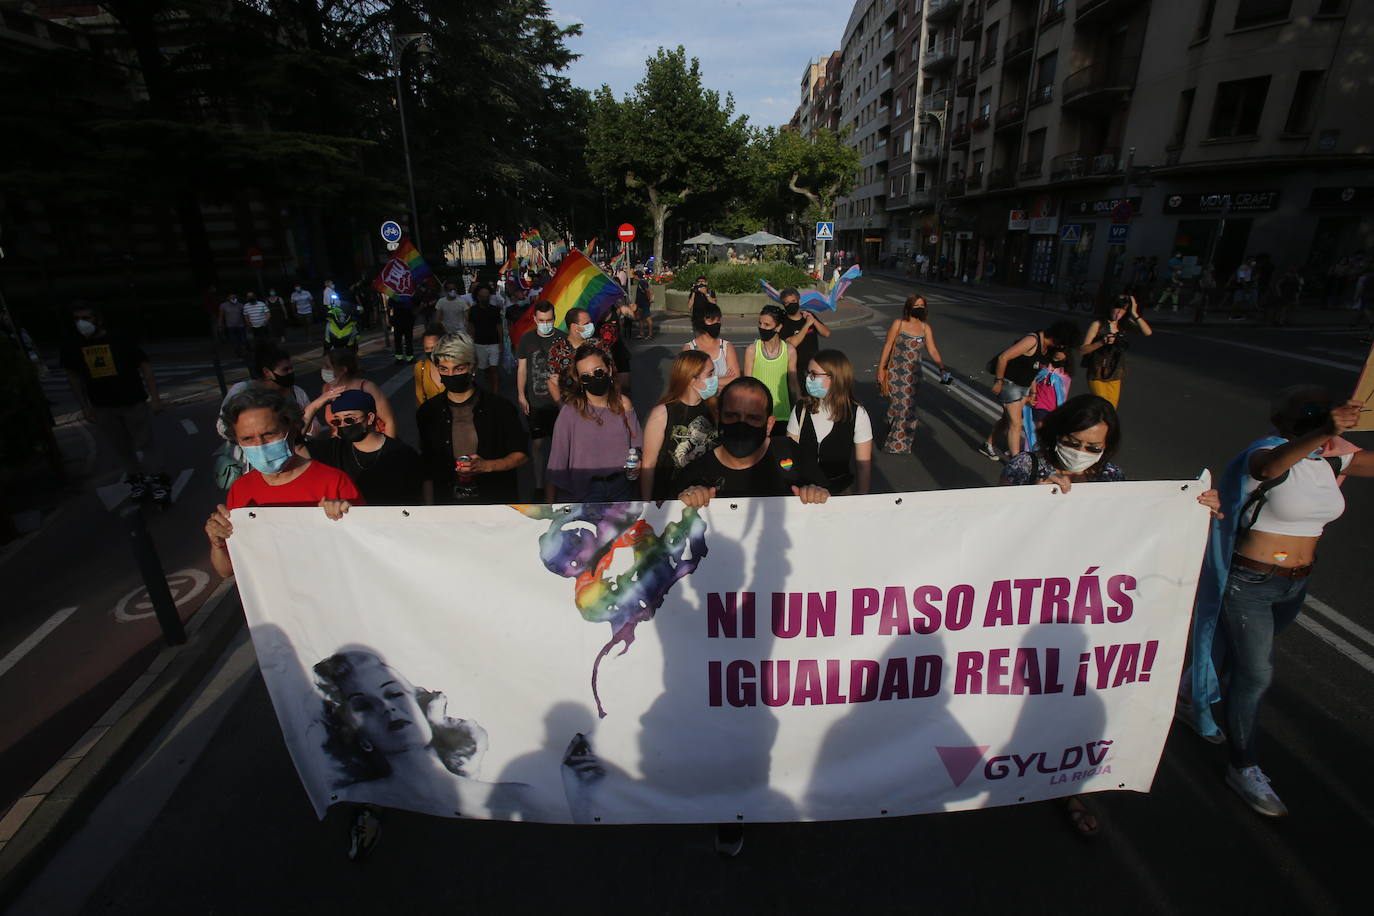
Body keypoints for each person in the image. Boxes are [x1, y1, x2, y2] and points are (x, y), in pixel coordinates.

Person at [999, 394, 1221, 835]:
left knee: (1071, 695)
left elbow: (1140, 529)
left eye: (1093, 446)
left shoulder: (1114, 477)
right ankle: (1011, 767)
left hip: (1086, 611)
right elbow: (997, 532)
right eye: (1074, 441)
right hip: (1027, 608)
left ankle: (1066, 785)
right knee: (1021, 693)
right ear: (1056, 433)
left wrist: (1193, 512)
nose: (1082, 451)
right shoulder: (1025, 467)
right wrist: (1032, 505)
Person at [1181, 388, 1370, 818]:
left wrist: (1333, 438)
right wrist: (1325, 430)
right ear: (1284, 426)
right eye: (1314, 425)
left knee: (1233, 654)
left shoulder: (1328, 462)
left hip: (1293, 585)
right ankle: (1243, 767)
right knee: (1256, 673)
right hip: (1249, 582)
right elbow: (1269, 468)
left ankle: (1194, 695)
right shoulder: (1263, 454)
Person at [204, 385, 360, 579]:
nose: (260, 445)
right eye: (247, 438)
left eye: (269, 434)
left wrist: (346, 520)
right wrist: (217, 541)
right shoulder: (241, 489)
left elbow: (364, 554)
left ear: (292, 429)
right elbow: (226, 570)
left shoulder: (334, 481)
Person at [61, 303, 169, 504]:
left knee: (144, 443)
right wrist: (84, 406)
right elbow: (73, 376)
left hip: (132, 401)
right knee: (121, 447)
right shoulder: (73, 346)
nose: (82, 323)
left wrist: (155, 399)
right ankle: (136, 480)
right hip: (102, 405)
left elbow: (145, 366)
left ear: (98, 319)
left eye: (87, 317)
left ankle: (158, 481)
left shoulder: (119, 339)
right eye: (77, 319)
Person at [675, 377, 830, 508]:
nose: (741, 425)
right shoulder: (694, 474)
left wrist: (816, 494)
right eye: (732, 416)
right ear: (718, 418)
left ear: (769, 425)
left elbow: (831, 505)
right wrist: (684, 503)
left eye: (753, 418)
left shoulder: (793, 455)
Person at [416, 333, 528, 505]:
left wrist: (487, 466)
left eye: (459, 368)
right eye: (444, 369)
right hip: (447, 503)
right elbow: (428, 466)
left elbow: (521, 454)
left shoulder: (500, 408)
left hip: (495, 501)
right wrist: (429, 511)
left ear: (473, 367)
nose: (451, 375)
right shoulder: (428, 412)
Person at [545, 344, 642, 503]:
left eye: (598, 372)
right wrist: (549, 510)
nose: (593, 378)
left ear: (609, 370)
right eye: (585, 376)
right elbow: (556, 465)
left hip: (622, 489)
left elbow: (638, 447)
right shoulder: (570, 412)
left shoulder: (624, 405)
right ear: (579, 380)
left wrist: (637, 462)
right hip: (584, 492)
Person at [981, 321, 1080, 460]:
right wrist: (998, 381)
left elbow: (1033, 370)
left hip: (1023, 386)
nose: (1062, 348)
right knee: (1016, 424)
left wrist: (1033, 392)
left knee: (1007, 419)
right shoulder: (1032, 340)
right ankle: (1016, 462)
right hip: (1010, 384)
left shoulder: (1046, 347)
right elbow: (1003, 357)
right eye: (1063, 344)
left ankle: (988, 444)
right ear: (1059, 339)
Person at [306, 389, 422, 506]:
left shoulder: (401, 453)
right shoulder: (333, 449)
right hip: (349, 521)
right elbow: (293, 445)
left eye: (349, 419)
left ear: (370, 418)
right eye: (337, 421)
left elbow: (417, 496)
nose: (343, 425)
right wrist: (314, 407)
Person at [788, 349, 872, 495]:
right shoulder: (800, 409)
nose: (808, 378)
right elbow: (789, 456)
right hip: (803, 494)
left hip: (839, 495)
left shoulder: (857, 414)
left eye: (813, 374)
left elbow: (863, 466)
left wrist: (861, 501)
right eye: (808, 373)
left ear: (835, 378)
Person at [641, 350, 718, 502]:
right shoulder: (662, 413)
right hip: (670, 498)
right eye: (710, 374)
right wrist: (646, 505)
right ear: (691, 380)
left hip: (706, 497)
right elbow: (648, 464)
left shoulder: (715, 408)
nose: (715, 378)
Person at [877, 295, 947, 454]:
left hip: (913, 375)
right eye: (917, 305)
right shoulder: (899, 324)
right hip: (895, 372)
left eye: (922, 305)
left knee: (906, 408)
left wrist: (942, 367)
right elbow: (888, 345)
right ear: (909, 307)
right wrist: (881, 368)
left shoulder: (925, 328)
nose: (920, 308)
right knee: (900, 407)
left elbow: (933, 349)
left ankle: (899, 442)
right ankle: (895, 438)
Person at [516, 301, 566, 495]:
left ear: (554, 318)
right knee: (537, 444)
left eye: (550, 320)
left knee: (558, 446)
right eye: (542, 320)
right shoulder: (526, 339)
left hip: (559, 404)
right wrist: (521, 395)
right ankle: (539, 485)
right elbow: (522, 370)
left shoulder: (563, 339)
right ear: (535, 319)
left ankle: (558, 483)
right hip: (535, 402)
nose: (546, 323)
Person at [304, 347, 396, 437]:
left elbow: (389, 421)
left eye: (328, 367)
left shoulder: (367, 388)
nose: (323, 369)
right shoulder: (326, 389)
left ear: (343, 369)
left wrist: (387, 449)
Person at [1080, 295, 1151, 409]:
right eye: (1117, 309)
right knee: (1104, 406)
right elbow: (1083, 350)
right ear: (1110, 307)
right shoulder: (1098, 325)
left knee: (1111, 409)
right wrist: (1101, 342)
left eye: (1123, 310)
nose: (1119, 313)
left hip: (1115, 372)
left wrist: (1134, 313)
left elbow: (1147, 332)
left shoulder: (1124, 324)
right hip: (1097, 372)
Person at [744, 305, 798, 435]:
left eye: (766, 325)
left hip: (782, 415)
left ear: (778, 327)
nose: (761, 327)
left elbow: (793, 384)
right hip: (757, 415)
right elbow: (747, 385)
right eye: (760, 323)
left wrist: (799, 410)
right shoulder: (752, 350)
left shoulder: (789, 350)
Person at [682, 300, 739, 387]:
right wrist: (722, 381)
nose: (716, 323)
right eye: (712, 320)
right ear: (700, 321)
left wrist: (705, 382)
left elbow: (735, 377)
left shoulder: (726, 347)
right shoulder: (689, 348)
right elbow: (687, 381)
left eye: (718, 320)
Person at [778, 286, 831, 373]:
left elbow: (826, 333)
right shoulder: (783, 322)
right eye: (787, 303)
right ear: (784, 305)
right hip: (795, 369)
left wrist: (813, 321)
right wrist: (807, 325)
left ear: (799, 301)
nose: (791, 304)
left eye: (793, 301)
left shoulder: (808, 315)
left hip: (813, 366)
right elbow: (792, 343)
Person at [466, 283, 504, 392]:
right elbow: (471, 327)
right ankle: (489, 382)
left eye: (487, 296)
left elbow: (499, 327)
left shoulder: (495, 310)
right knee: (485, 368)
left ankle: (495, 393)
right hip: (479, 343)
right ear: (478, 297)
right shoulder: (473, 310)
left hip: (494, 343)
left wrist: (501, 343)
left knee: (494, 368)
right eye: (483, 296)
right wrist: (470, 343)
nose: (485, 298)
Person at [412, 322, 448, 407]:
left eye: (434, 347)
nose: (430, 352)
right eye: (427, 348)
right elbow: (420, 400)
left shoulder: (455, 366)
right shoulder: (420, 367)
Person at [388, 292, 416, 362]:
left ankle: (399, 358)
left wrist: (390, 319)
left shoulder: (394, 295)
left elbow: (389, 306)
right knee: (408, 340)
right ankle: (409, 357)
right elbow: (415, 304)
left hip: (398, 320)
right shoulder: (409, 294)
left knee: (398, 340)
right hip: (408, 320)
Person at [218, 292, 248, 357]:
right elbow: (221, 316)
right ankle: (238, 353)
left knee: (243, 340)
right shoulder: (223, 305)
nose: (233, 299)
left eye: (234, 297)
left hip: (241, 325)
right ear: (228, 298)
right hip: (230, 326)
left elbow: (244, 315)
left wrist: (247, 323)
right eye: (231, 297)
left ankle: (245, 352)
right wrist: (220, 325)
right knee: (235, 341)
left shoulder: (240, 305)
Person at [633, 269, 655, 339]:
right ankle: (641, 333)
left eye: (635, 276)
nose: (634, 277)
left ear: (637, 276)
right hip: (640, 304)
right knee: (640, 319)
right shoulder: (640, 282)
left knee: (648, 318)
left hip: (644, 303)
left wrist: (649, 300)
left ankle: (650, 334)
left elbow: (647, 291)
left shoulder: (642, 282)